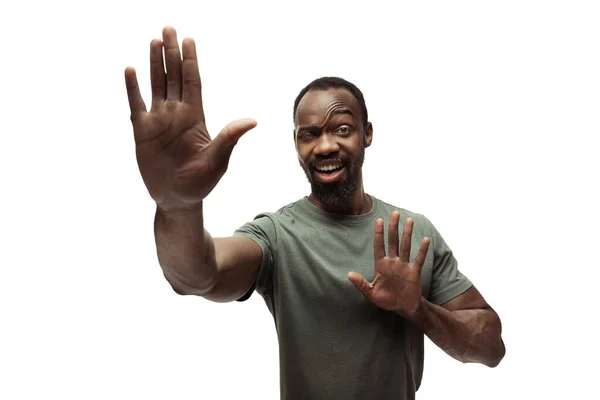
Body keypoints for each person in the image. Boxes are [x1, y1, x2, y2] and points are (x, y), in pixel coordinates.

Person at [124, 26, 506, 400]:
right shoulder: (277, 235)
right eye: (309, 134)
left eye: (341, 129)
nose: (324, 146)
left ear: (367, 133)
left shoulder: (411, 232)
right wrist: (178, 206)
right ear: (295, 143)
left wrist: (420, 311)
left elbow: (491, 347)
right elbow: (197, 276)